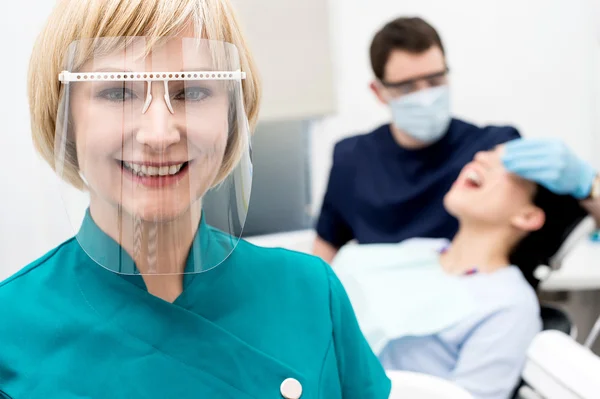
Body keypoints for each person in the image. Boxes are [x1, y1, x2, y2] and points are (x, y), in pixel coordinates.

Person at [0, 1, 391, 398]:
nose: (159, 134)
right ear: (64, 118)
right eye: (117, 92)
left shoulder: (310, 292)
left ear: (232, 114)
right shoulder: (9, 330)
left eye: (193, 91)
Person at [312, 16, 600, 264]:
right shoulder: (351, 159)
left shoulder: (494, 149)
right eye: (407, 87)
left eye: (435, 80)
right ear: (379, 92)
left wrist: (588, 186)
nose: (425, 96)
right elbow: (324, 253)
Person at [331, 145, 589, 399]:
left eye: (508, 166)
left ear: (528, 216)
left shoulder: (510, 306)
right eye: (489, 152)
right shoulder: (419, 251)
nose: (481, 158)